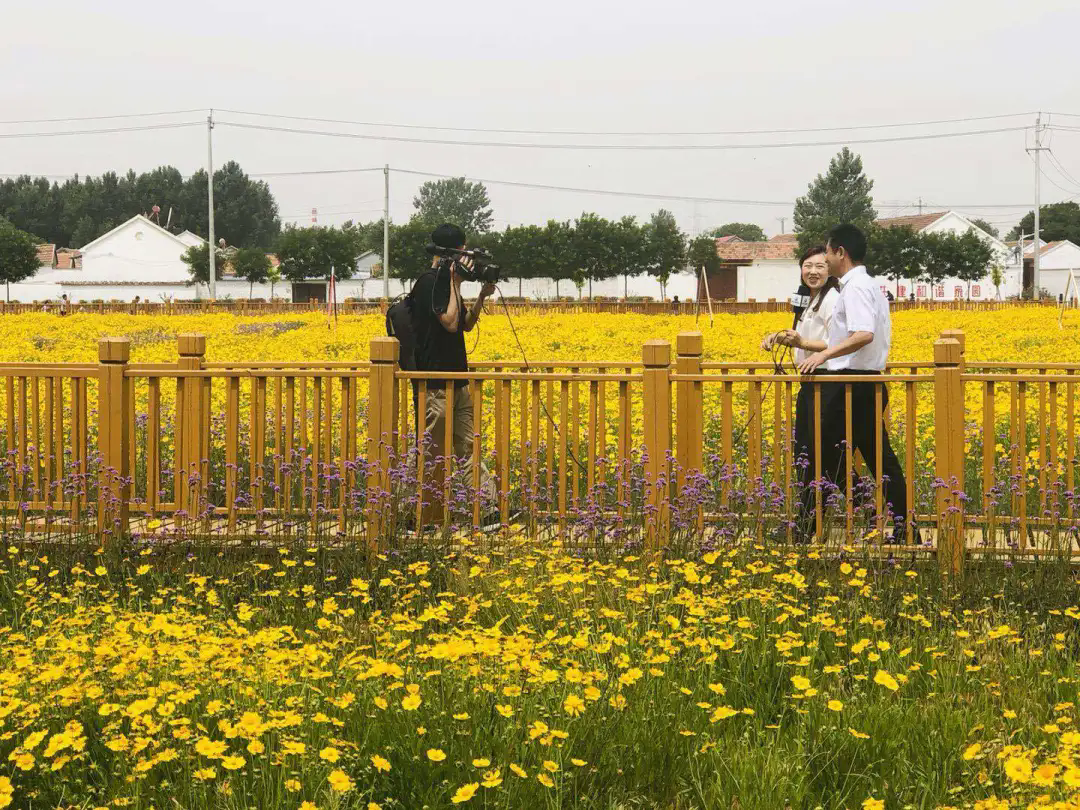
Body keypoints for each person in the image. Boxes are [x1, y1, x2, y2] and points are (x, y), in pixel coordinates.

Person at [796, 224, 912, 543]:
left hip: (853, 383)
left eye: (828, 253)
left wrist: (823, 355)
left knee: (818, 454)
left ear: (840, 253)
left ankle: (806, 528)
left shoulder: (856, 287)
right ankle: (902, 527)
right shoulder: (863, 285)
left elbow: (863, 334)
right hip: (861, 382)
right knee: (871, 457)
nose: (825, 259)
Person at [411, 223, 498, 515]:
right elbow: (447, 322)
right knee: (433, 452)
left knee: (469, 448)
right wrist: (455, 282)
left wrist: (483, 296)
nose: (467, 260)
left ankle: (487, 509)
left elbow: (464, 325)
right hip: (436, 384)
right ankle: (420, 512)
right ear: (454, 252)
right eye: (464, 252)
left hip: (458, 382)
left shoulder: (447, 283)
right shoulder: (427, 282)